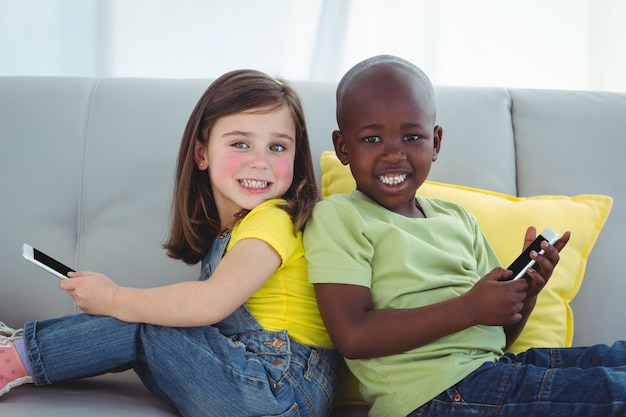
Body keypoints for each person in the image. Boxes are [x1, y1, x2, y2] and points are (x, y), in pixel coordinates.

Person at [0, 69, 337, 417]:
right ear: (201, 154)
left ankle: (14, 356)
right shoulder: (234, 231)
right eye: (240, 143)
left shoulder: (275, 218)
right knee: (147, 318)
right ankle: (20, 351)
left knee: (144, 320)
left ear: (295, 158)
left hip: (277, 389)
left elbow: (211, 303)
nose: (260, 161)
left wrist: (113, 298)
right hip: (261, 388)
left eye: (277, 147)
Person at [304, 54, 626, 417]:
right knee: (616, 391)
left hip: (492, 374)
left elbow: (494, 338)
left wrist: (524, 294)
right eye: (372, 138)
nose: (394, 154)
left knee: (617, 358)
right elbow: (353, 335)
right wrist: (471, 306)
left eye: (411, 136)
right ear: (343, 147)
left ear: (435, 142)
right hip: (435, 396)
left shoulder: (457, 219)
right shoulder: (340, 216)